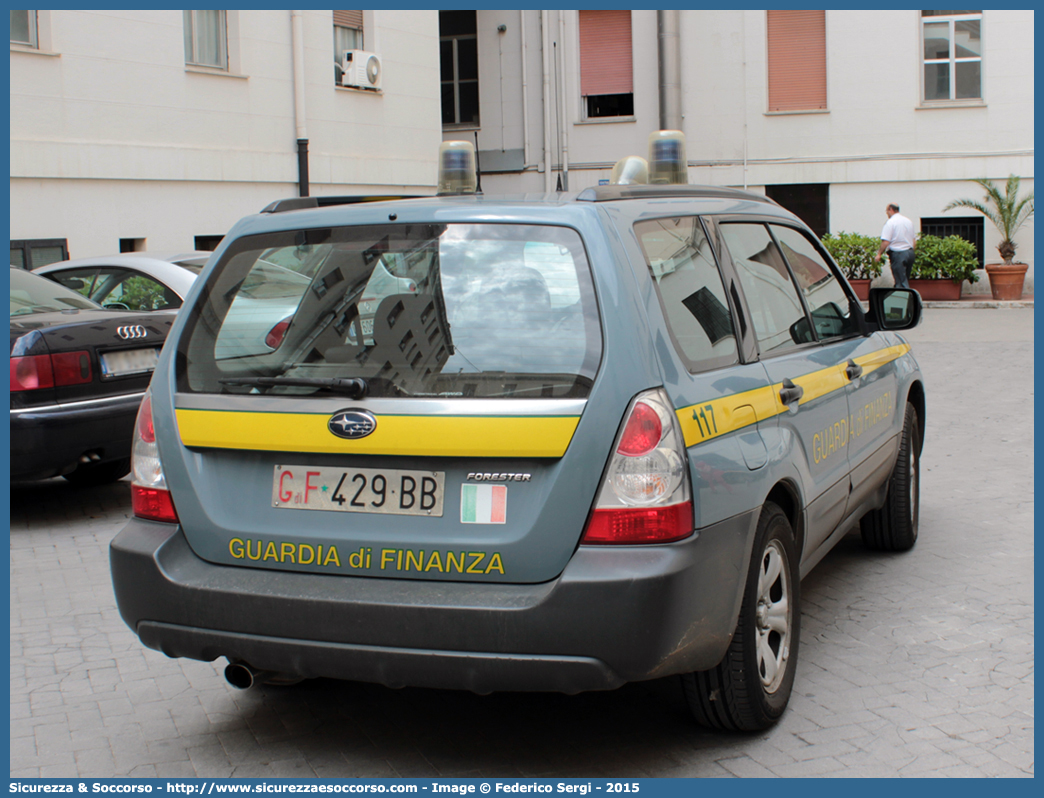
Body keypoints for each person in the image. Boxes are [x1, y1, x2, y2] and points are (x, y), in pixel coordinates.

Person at [874, 203, 916, 289]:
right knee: (905, 278)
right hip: (910, 253)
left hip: (898, 253)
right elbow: (914, 240)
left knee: (900, 283)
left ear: (890, 209)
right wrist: (912, 251)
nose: (886, 213)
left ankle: (902, 299)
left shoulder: (890, 222)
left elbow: (886, 241)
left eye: (887, 211)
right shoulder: (908, 221)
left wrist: (879, 254)